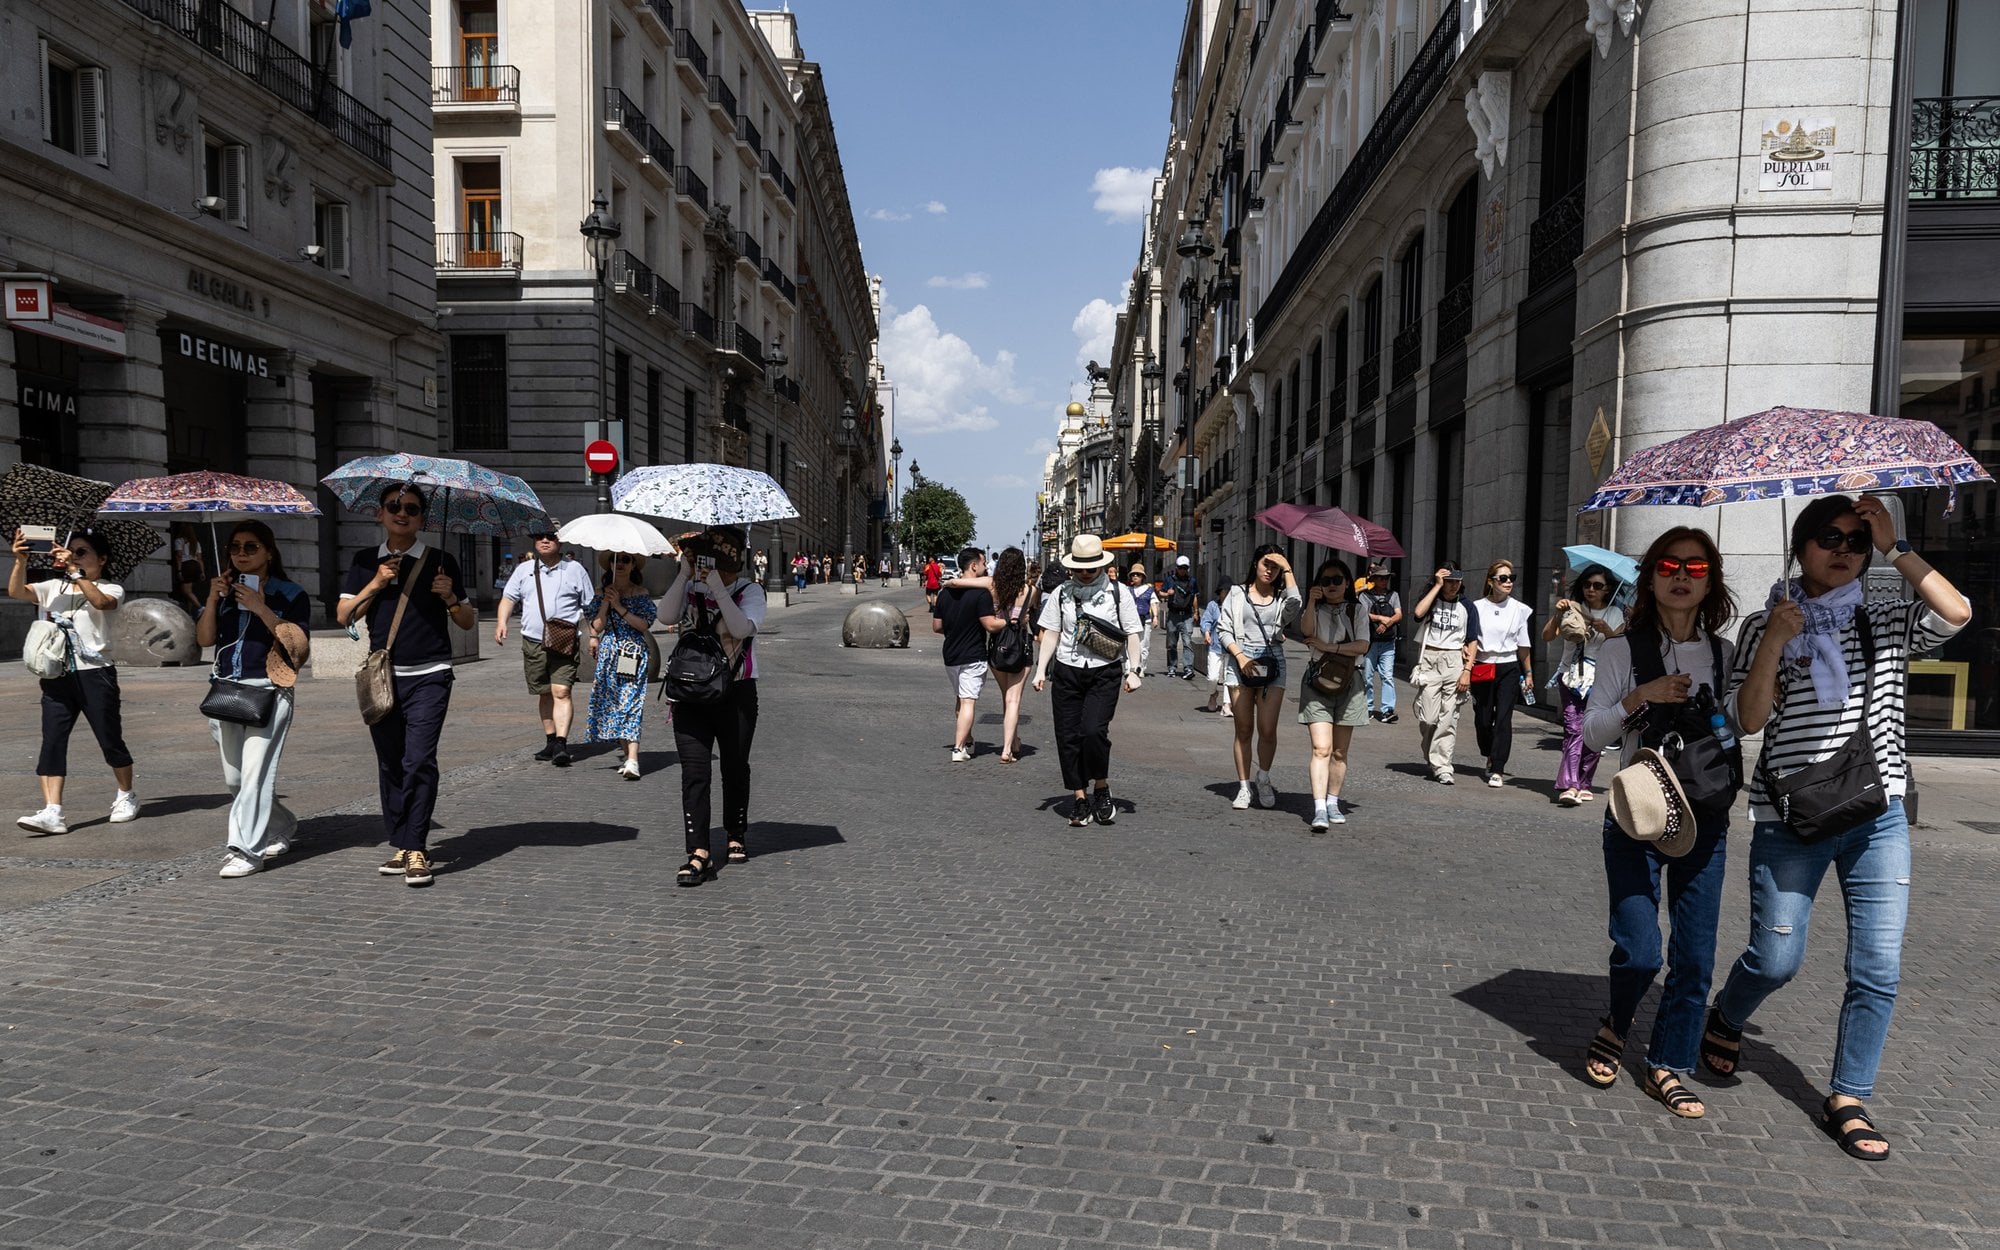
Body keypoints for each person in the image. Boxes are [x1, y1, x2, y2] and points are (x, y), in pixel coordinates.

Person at [1708, 494, 1971, 1161]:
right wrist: (1773, 640)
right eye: (1830, 537)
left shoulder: (1882, 615)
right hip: (1791, 817)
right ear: (1800, 547)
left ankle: (1849, 1094)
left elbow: (1957, 612)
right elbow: (1746, 721)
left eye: (1856, 539)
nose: (1844, 549)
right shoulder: (1769, 621)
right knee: (1776, 959)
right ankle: (1729, 1013)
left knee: (1877, 966)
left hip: (1876, 816)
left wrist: (1897, 549)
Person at [1580, 527, 1739, 1120]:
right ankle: (1617, 1022)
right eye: (1669, 565)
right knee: (1641, 951)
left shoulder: (1722, 655)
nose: (1681, 575)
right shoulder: (1623, 650)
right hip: (1637, 816)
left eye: (1695, 568)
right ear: (1650, 577)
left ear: (1710, 580)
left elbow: (1741, 730)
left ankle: (1667, 1065)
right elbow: (1592, 734)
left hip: (1705, 818)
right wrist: (1639, 695)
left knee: (1695, 956)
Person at [335, 482, 474, 888]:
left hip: (431, 674)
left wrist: (450, 598)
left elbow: (464, 621)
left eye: (411, 509)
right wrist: (376, 583)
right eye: (394, 506)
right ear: (380, 513)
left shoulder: (441, 561)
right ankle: (400, 841)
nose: (402, 513)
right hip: (384, 677)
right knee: (390, 762)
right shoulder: (365, 561)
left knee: (418, 760)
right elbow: (345, 615)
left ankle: (416, 847)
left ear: (421, 519)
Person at [196, 520, 313, 877]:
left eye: (250, 547)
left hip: (269, 690)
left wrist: (261, 607)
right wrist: (212, 600)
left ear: (268, 553)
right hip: (227, 690)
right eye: (235, 548)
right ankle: (281, 823)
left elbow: (299, 647)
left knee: (256, 775)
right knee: (235, 779)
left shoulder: (290, 594)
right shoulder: (224, 592)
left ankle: (246, 850)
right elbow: (203, 640)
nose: (241, 554)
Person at [11, 526, 138, 834]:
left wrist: (75, 571)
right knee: (52, 740)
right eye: (72, 551)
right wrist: (20, 561)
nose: (75, 556)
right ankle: (53, 811)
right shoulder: (53, 587)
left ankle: (126, 795)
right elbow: (17, 592)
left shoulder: (111, 588)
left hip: (96, 674)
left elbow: (102, 604)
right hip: (57, 675)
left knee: (109, 738)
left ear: (102, 559)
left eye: (83, 552)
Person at [662, 525, 766, 887]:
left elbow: (741, 630)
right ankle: (699, 853)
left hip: (735, 693)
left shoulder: (750, 591)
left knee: (734, 767)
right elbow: (665, 616)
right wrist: (684, 575)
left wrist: (719, 589)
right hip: (690, 693)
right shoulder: (691, 585)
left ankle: (735, 832)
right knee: (695, 773)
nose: (713, 565)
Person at [1031, 534, 1143, 826]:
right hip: (1067, 671)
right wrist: (1041, 669)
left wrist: (1134, 670)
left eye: (1090, 568)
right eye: (1079, 568)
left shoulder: (1118, 593)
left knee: (1093, 731)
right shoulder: (1062, 593)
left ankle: (1101, 787)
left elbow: (1133, 632)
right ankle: (1080, 798)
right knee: (1068, 736)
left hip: (1104, 671)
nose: (1084, 573)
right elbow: (1051, 632)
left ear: (1101, 566)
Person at [495, 525, 594, 767]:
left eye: (551, 537)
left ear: (561, 541)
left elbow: (590, 605)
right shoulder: (524, 570)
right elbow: (509, 598)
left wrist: (594, 634)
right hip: (533, 641)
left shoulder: (575, 569)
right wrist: (501, 622)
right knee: (543, 692)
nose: (545, 541)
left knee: (561, 690)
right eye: (539, 537)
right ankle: (550, 741)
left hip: (564, 640)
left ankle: (561, 743)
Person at [1217, 545, 1301, 809]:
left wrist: (1287, 569)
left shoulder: (1281, 599)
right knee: (1243, 728)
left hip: (1272, 661)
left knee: (1267, 728)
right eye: (1267, 563)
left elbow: (1296, 603)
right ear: (1255, 563)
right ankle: (1243, 787)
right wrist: (1240, 657)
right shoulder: (1237, 593)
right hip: (1241, 660)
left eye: (1275, 567)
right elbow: (1223, 629)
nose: (1270, 570)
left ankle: (1262, 777)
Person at [1297, 558, 1371, 831]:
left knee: (1339, 752)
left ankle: (1332, 801)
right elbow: (1305, 632)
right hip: (1317, 682)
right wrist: (1311, 602)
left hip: (1350, 683)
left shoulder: (1358, 610)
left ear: (1347, 583)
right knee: (1321, 748)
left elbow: (1363, 645)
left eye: (1336, 580)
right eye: (1325, 580)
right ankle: (1318, 809)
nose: (1331, 585)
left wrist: (1330, 647)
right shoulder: (1314, 608)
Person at [1545, 565, 1627, 805]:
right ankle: (1569, 784)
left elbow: (1622, 648)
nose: (1591, 589)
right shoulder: (1573, 607)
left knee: (1594, 732)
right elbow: (1547, 636)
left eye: (1598, 586)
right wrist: (1558, 614)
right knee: (1573, 729)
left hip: (1601, 680)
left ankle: (1584, 782)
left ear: (1607, 589)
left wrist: (1609, 632)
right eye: (1587, 585)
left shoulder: (1615, 614)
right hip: (1571, 676)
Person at [584, 551, 658, 779]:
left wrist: (619, 606)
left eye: (626, 560)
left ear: (634, 565)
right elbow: (596, 626)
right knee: (616, 705)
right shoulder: (600, 593)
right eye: (616, 560)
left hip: (633, 653)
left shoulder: (641, 595)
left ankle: (633, 760)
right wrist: (606, 604)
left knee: (631, 703)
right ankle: (628, 757)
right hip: (609, 654)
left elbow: (643, 625)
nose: (620, 564)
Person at [1409, 565, 1481, 784]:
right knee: (1429, 718)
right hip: (1430, 658)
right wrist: (1436, 586)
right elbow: (1418, 613)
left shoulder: (1467, 606)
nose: (1454, 585)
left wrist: (1467, 671)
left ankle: (1442, 766)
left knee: (1449, 717)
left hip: (1454, 661)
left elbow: (1472, 640)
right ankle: (1432, 753)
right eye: (1449, 581)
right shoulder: (1433, 599)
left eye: (1457, 581)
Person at [932, 546, 1004, 762]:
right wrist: (1009, 622)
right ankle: (958, 747)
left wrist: (955, 628)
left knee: (961, 699)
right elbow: (990, 625)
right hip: (973, 654)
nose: (985, 568)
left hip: (951, 654)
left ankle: (968, 739)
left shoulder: (945, 593)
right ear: (974, 566)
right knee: (968, 701)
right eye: (982, 564)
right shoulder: (980, 594)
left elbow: (937, 626)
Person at [1469, 558, 1534, 788]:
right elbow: (1469, 640)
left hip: (1509, 667)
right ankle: (1488, 752)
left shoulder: (1519, 609)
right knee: (1483, 719)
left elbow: (1523, 644)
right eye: (1503, 578)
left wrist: (1528, 673)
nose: (1508, 582)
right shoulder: (1476, 607)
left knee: (1504, 717)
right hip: (1483, 665)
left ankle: (1498, 767)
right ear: (1491, 581)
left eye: (1511, 578)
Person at [1358, 559, 1404, 722]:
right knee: (1367, 676)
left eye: (1386, 578)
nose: (1385, 581)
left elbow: (1399, 614)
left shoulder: (1394, 595)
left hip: (1388, 642)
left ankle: (1387, 709)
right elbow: (1363, 614)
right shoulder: (1365, 596)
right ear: (1374, 579)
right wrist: (1381, 618)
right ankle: (1368, 707)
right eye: (1381, 578)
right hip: (1370, 642)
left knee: (1387, 676)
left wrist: (1387, 624)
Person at [1161, 556, 1199, 680]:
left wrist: (1196, 612)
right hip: (1173, 615)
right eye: (1180, 568)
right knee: (1171, 643)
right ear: (1176, 568)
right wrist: (1167, 594)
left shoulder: (1192, 581)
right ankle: (1172, 666)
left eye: (1185, 568)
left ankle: (1188, 668)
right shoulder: (1169, 580)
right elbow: (1160, 592)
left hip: (1187, 615)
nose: (1183, 570)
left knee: (1187, 642)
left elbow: (1194, 597)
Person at [1126, 564, 1157, 674]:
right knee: (1129, 643)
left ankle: (1141, 667)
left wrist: (1155, 617)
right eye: (1133, 574)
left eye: (1138, 574)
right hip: (1131, 620)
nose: (1135, 576)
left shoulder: (1149, 589)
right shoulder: (1127, 590)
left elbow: (1153, 603)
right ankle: (1129, 667)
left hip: (1145, 620)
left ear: (1142, 577)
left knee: (1144, 645)